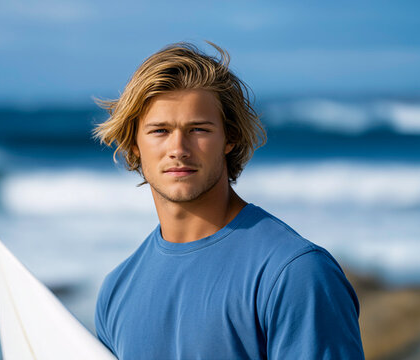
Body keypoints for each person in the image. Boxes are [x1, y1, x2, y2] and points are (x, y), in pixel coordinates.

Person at [91, 41, 365, 359]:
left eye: (198, 129)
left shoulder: (294, 273)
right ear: (134, 144)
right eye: (160, 131)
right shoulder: (116, 292)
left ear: (229, 138)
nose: (178, 149)